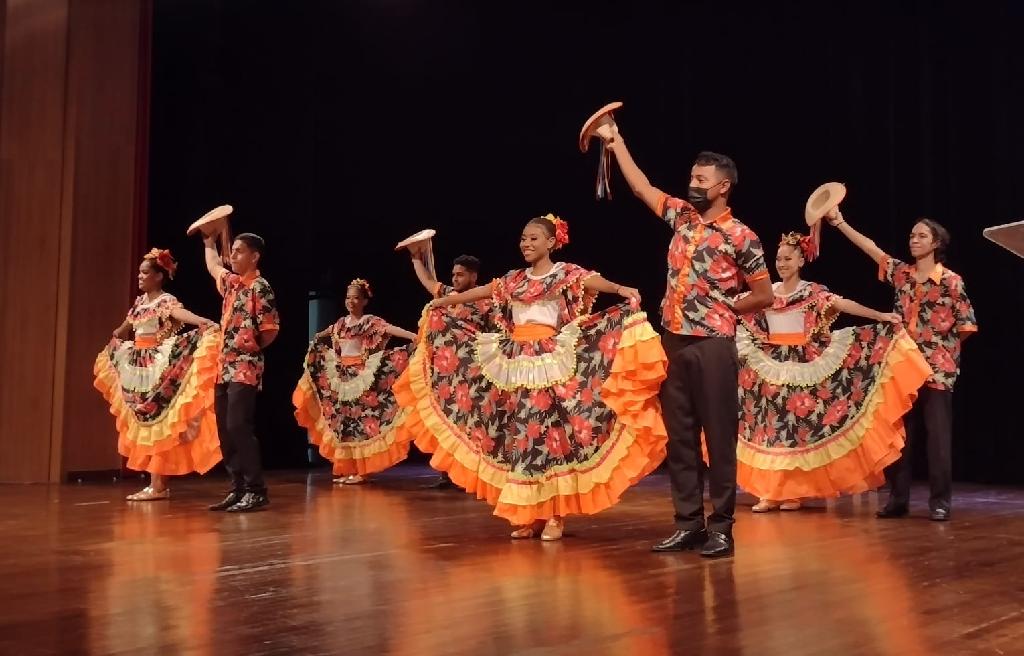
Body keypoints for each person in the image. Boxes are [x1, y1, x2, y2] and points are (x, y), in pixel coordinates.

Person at [395, 214, 668, 541]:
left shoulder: (564, 274)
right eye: (524, 237)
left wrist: (621, 288)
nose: (526, 243)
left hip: (549, 358)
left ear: (551, 242)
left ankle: (554, 514)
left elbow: (595, 283)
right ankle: (527, 513)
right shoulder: (513, 280)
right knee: (520, 435)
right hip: (514, 359)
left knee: (548, 435)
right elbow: (480, 293)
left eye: (534, 238)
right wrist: (443, 301)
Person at [597, 116, 773, 558]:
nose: (692, 183)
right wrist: (617, 141)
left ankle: (723, 527)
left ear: (723, 187)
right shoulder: (683, 217)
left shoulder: (742, 236)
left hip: (712, 343)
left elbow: (764, 294)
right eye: (692, 177)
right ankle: (688, 522)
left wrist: (728, 308)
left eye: (701, 179)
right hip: (673, 339)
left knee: (718, 436)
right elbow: (641, 187)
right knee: (680, 435)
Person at [735, 231, 931, 512]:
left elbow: (841, 303)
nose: (782, 263)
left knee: (796, 431)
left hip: (802, 363)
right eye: (778, 259)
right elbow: (737, 306)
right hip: (771, 364)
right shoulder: (768, 291)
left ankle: (791, 492)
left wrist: (879, 316)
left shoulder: (811, 292)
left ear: (801, 260)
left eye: (788, 258)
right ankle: (769, 492)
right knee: (771, 429)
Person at [828, 208, 977, 521]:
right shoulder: (902, 274)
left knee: (938, 437)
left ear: (937, 243)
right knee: (899, 436)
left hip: (937, 368)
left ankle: (939, 502)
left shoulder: (951, 281)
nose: (914, 240)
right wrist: (840, 221)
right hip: (901, 368)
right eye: (912, 235)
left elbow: (965, 326)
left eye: (922, 235)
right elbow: (871, 249)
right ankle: (898, 499)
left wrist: (940, 355)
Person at [94, 248, 220, 500]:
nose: (140, 277)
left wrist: (201, 321)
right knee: (145, 420)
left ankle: (158, 485)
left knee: (159, 420)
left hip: (156, 362)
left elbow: (179, 314)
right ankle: (157, 484)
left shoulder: (165, 300)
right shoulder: (141, 302)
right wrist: (118, 332)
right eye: (140, 273)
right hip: (136, 364)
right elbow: (129, 324)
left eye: (145, 273)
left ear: (158, 276)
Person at [294, 278, 418, 485]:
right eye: (348, 298)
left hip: (361, 375)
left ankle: (362, 471)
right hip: (342, 376)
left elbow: (389, 329)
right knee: (345, 423)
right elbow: (324, 334)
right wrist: (317, 340)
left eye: (356, 298)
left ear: (364, 301)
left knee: (361, 423)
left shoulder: (369, 321)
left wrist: (414, 336)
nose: (351, 302)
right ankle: (348, 468)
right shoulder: (341, 323)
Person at [202, 232, 280, 513]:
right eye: (232, 251)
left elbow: (270, 330)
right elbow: (213, 266)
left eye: (238, 252)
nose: (232, 256)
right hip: (224, 367)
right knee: (224, 428)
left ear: (254, 256)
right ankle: (237, 488)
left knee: (238, 425)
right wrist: (209, 242)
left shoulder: (260, 287)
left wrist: (247, 347)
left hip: (245, 366)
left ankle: (256, 489)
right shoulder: (232, 284)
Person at [410, 251, 494, 489]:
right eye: (453, 275)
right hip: (444, 375)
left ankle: (467, 475)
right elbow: (427, 281)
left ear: (473, 276)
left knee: (468, 424)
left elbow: (495, 335)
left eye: (460, 275)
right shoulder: (447, 294)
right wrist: (416, 257)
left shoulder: (485, 302)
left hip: (471, 374)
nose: (455, 279)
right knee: (446, 422)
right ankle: (448, 474)